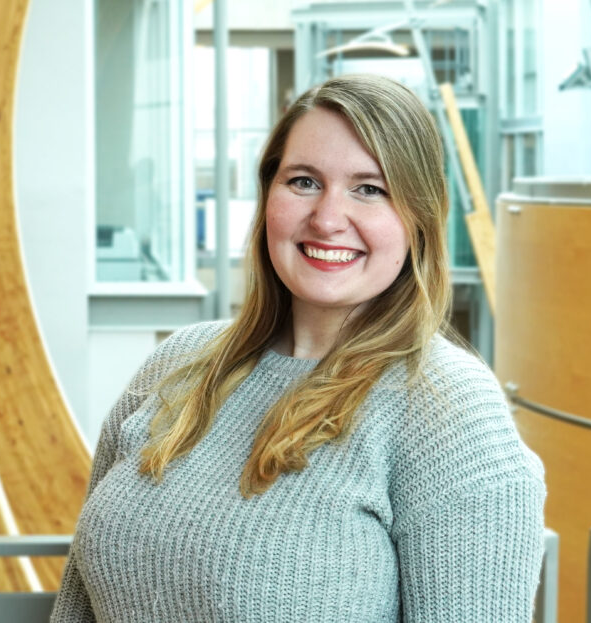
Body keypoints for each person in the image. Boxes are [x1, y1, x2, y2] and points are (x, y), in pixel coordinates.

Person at [51, 74, 546, 622]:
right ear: (268, 197)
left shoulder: (449, 409)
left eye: (370, 189)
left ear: (419, 220)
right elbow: (78, 603)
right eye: (304, 182)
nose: (329, 219)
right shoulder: (179, 363)